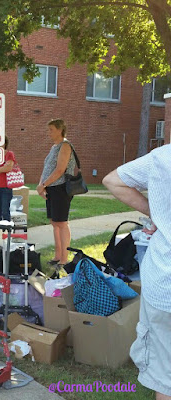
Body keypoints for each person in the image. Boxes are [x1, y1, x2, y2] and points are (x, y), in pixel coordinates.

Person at [103, 145, 171, 400]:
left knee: (165, 379)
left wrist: (157, 214)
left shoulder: (164, 157)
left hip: (165, 285)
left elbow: (113, 181)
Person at [36, 119, 76, 269]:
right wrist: (41, 186)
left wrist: (44, 184)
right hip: (51, 189)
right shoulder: (54, 147)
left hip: (61, 188)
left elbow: (60, 170)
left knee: (61, 223)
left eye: (51, 129)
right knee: (55, 223)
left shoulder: (65, 146)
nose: (49, 133)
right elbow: (47, 167)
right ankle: (57, 256)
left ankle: (64, 259)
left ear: (60, 130)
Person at [0, 136, 15, 221]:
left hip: (6, 187)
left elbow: (8, 168)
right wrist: (3, 167)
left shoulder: (9, 154)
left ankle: (7, 232)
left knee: (5, 211)